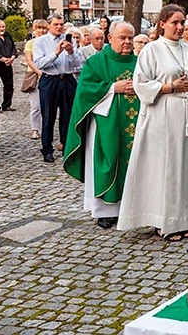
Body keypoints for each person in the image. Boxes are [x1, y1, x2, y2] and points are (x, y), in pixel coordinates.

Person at [117, 4, 188, 242]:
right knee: (166, 169)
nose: (179, 28)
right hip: (161, 115)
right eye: (174, 23)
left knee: (187, 168)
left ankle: (187, 220)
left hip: (187, 115)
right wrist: (169, 87)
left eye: (182, 23)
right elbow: (140, 84)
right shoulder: (152, 50)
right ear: (162, 24)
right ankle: (164, 221)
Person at [63, 21, 139, 230]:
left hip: (136, 123)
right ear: (110, 39)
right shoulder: (96, 62)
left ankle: (131, 208)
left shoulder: (141, 62)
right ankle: (105, 211)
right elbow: (85, 91)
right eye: (122, 38)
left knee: (134, 163)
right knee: (107, 161)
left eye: (130, 38)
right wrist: (113, 88)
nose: (127, 42)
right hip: (106, 124)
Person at [33, 13, 83, 163]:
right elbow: (39, 64)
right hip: (50, 80)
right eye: (56, 24)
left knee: (67, 115)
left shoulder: (70, 40)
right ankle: (47, 149)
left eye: (61, 24)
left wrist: (70, 52)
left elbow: (78, 65)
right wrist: (56, 53)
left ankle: (67, 146)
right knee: (48, 115)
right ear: (49, 25)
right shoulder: (40, 42)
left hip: (67, 79)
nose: (59, 27)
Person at [24, 19, 49, 139]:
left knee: (48, 105)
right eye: (39, 28)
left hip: (48, 75)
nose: (41, 31)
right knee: (35, 105)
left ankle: (46, 127)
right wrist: (39, 71)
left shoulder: (49, 43)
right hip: (34, 76)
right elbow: (29, 60)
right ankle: (35, 129)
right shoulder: (30, 43)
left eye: (43, 28)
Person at [0, 19, 18, 112]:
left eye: (3, 27)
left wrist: (12, 57)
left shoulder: (7, 35)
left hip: (8, 65)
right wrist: (3, 59)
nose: (2, 28)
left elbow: (13, 47)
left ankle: (6, 105)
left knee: (9, 85)